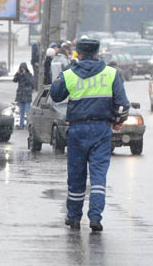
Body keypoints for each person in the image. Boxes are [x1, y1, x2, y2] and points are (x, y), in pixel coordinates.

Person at [50, 39, 130, 231]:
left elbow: (55, 95)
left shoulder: (69, 74)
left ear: (77, 53)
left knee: (76, 176)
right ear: (98, 53)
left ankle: (74, 218)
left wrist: (64, 73)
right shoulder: (111, 73)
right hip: (102, 130)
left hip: (77, 130)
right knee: (98, 176)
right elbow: (123, 104)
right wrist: (118, 122)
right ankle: (95, 218)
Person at [13, 63, 33, 130]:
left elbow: (30, 82)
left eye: (23, 68)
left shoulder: (29, 75)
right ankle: (21, 125)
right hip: (21, 96)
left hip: (27, 95)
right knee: (21, 112)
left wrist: (24, 74)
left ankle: (29, 125)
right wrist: (18, 73)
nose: (22, 70)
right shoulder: (19, 74)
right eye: (21, 68)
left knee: (28, 112)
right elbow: (14, 80)